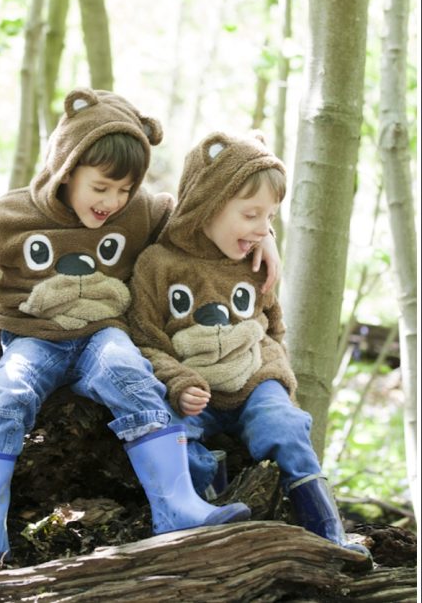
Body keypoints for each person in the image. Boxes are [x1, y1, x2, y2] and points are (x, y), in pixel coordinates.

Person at [0, 88, 274, 572]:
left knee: (130, 373)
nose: (112, 201)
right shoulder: (13, 214)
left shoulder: (140, 212)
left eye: (124, 189)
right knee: (6, 393)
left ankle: (177, 507)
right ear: (67, 167)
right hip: (34, 336)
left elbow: (196, 221)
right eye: (101, 186)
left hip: (104, 334)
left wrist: (263, 234)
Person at [128, 130, 370, 559]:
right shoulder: (158, 264)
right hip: (192, 390)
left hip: (255, 380)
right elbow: (145, 338)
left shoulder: (256, 262)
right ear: (209, 202)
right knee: (170, 434)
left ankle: (327, 530)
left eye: (271, 218)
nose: (263, 228)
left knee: (285, 426)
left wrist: (274, 377)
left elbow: (273, 328)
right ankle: (211, 509)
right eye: (251, 215)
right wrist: (178, 380)